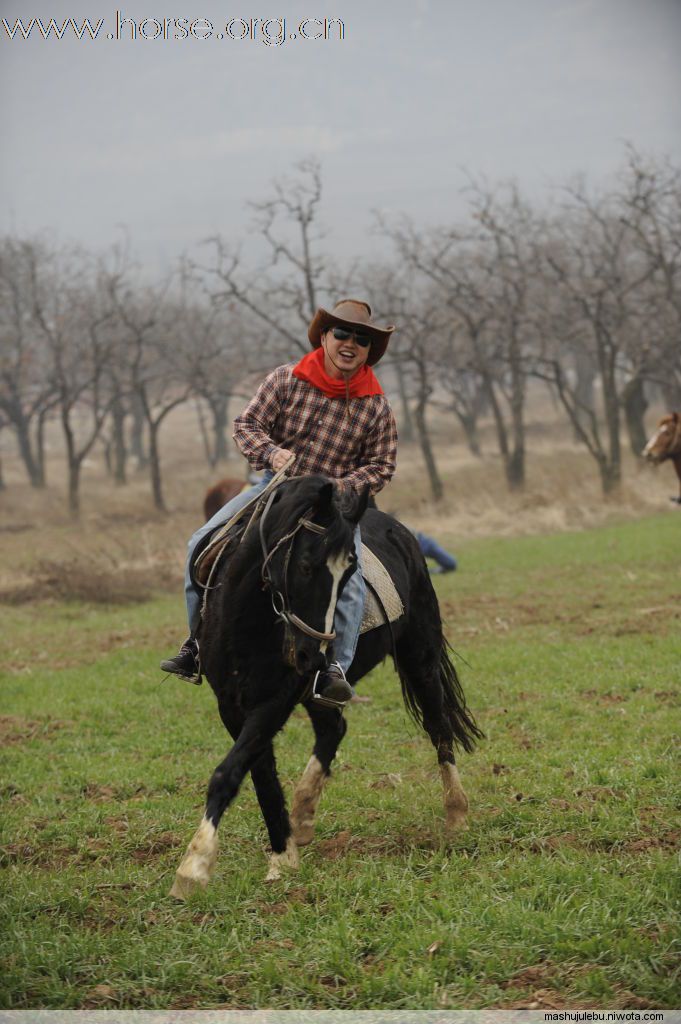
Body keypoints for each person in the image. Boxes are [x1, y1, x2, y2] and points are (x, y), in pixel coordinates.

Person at [160, 298, 398, 704]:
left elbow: (381, 466)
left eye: (361, 338)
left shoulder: (375, 405)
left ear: (368, 350)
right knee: (199, 543)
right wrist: (273, 453)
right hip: (275, 488)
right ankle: (196, 645)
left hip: (333, 507)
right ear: (324, 336)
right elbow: (246, 425)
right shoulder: (286, 380)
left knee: (351, 580)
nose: (350, 343)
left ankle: (336, 669)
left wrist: (342, 486)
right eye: (342, 333)